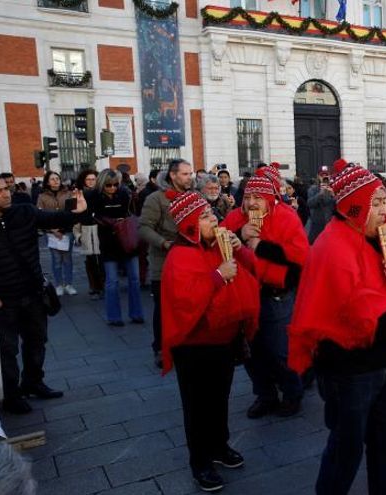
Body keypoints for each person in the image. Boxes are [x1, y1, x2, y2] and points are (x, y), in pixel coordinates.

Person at [287, 163, 386, 495]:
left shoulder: (374, 235)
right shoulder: (333, 246)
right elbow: (361, 310)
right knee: (345, 450)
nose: (384, 210)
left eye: (384, 201)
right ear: (354, 205)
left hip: (380, 362)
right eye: (375, 203)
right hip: (346, 368)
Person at [161, 190, 260, 492]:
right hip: (194, 346)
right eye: (204, 216)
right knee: (197, 405)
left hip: (224, 338)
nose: (213, 219)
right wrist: (217, 275)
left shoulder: (218, 245)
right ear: (190, 223)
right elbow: (184, 301)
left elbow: (251, 272)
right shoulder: (179, 256)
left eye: (211, 213)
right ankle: (200, 462)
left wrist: (239, 248)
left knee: (220, 398)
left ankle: (220, 446)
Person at [0, 179, 88, 414]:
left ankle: (33, 382)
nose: (5, 194)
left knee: (37, 340)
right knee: (8, 350)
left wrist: (76, 213)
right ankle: (12, 395)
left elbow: (52, 219)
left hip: (33, 291)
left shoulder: (24, 211)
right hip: (4, 299)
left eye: (5, 189)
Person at [222, 176, 310, 418]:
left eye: (258, 198)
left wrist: (259, 245)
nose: (251, 203)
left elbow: (300, 257)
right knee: (251, 350)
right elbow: (217, 247)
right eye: (248, 197)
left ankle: (292, 392)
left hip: (276, 295)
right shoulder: (234, 218)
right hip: (243, 294)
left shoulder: (286, 217)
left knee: (278, 349)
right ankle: (265, 394)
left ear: (270, 199)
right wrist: (239, 234)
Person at [139, 159, 194, 369]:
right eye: (185, 174)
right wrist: (164, 243)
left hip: (190, 263)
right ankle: (160, 348)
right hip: (164, 263)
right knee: (163, 309)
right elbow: (144, 228)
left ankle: (184, 342)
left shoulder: (194, 197)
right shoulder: (156, 198)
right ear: (173, 175)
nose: (190, 177)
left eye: (190, 174)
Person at [89, 170, 144, 327]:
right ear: (102, 184)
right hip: (108, 242)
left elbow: (132, 213)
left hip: (127, 239)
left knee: (134, 279)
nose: (112, 188)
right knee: (112, 281)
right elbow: (92, 216)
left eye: (115, 185)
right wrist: (111, 221)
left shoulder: (124, 194)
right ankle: (113, 316)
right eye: (108, 185)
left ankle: (136, 313)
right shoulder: (94, 196)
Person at [37, 171, 76, 296]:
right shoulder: (42, 197)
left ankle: (69, 284)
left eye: (57, 178)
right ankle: (59, 284)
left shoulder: (68, 193)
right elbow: (39, 216)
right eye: (52, 179)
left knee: (68, 259)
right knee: (56, 260)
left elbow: (72, 213)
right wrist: (53, 230)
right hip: (51, 233)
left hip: (67, 232)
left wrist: (64, 229)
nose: (56, 181)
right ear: (47, 182)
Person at [74, 170, 104, 301]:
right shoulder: (78, 195)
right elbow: (74, 216)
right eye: (89, 179)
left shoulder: (101, 193)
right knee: (91, 261)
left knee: (102, 259)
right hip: (86, 229)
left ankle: (103, 285)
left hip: (100, 229)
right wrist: (78, 235)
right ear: (83, 181)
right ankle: (95, 287)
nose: (92, 181)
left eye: (94, 179)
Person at [307, 165, 338, 244]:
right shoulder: (313, 189)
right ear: (318, 176)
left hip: (330, 225)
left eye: (326, 175)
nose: (324, 177)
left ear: (329, 176)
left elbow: (337, 208)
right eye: (322, 175)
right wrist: (320, 194)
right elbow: (310, 204)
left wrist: (334, 196)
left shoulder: (333, 188)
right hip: (316, 226)